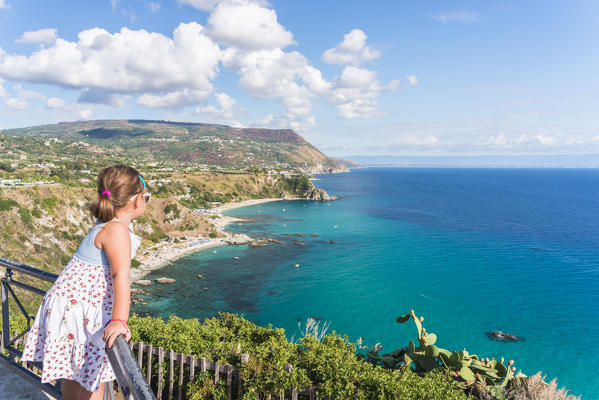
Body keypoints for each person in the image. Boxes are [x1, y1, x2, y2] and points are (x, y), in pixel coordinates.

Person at [21, 164, 151, 400]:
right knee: (94, 379)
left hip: (67, 307)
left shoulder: (104, 224)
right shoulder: (117, 230)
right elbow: (120, 275)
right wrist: (120, 320)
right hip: (82, 313)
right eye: (146, 197)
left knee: (74, 375)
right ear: (135, 201)